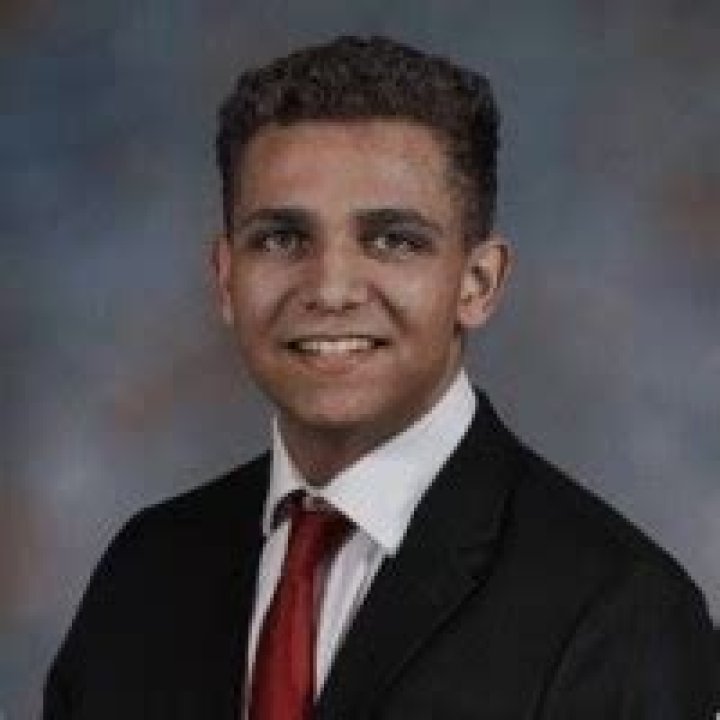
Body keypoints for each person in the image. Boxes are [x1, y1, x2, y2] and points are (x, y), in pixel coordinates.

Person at [43, 35, 716, 719]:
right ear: (225, 279)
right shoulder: (144, 574)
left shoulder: (622, 614)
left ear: (478, 284)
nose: (331, 290)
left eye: (393, 240)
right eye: (281, 238)